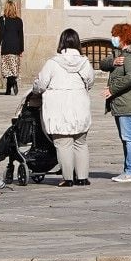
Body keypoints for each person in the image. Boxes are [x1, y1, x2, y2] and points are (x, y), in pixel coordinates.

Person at [31, 28, 94, 187]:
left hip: (58, 108)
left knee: (63, 143)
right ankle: (82, 177)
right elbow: (90, 82)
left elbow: (41, 84)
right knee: (80, 143)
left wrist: (35, 90)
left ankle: (68, 178)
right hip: (79, 105)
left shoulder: (52, 63)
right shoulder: (84, 62)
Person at [100, 23, 131, 183]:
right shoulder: (118, 54)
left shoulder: (130, 56)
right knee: (125, 137)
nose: (113, 38)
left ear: (123, 37)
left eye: (115, 35)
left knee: (129, 137)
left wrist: (112, 89)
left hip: (128, 101)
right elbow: (103, 63)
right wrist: (113, 62)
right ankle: (128, 169)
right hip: (120, 102)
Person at [0, 1, 25, 96]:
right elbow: (21, 36)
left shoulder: (2, 19)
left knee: (7, 69)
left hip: (6, 47)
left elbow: (1, 34)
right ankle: (8, 90)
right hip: (15, 47)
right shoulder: (19, 20)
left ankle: (13, 82)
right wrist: (21, 49)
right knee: (13, 68)